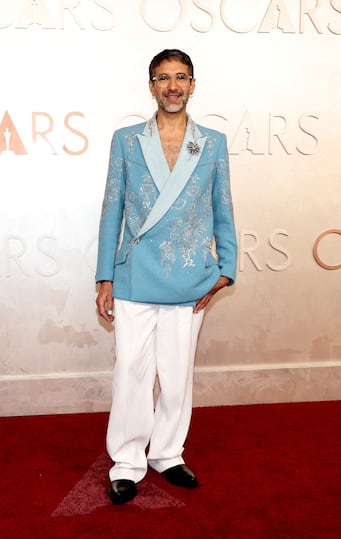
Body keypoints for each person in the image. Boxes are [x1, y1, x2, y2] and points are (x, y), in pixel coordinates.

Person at [95, 49, 237, 505]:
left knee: (177, 375)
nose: (172, 85)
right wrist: (104, 276)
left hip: (191, 276)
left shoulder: (212, 142)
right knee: (131, 372)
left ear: (193, 84)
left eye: (181, 77)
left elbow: (223, 208)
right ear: (151, 85)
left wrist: (227, 269)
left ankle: (169, 454)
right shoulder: (126, 140)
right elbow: (111, 209)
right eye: (163, 77)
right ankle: (127, 462)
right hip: (135, 273)